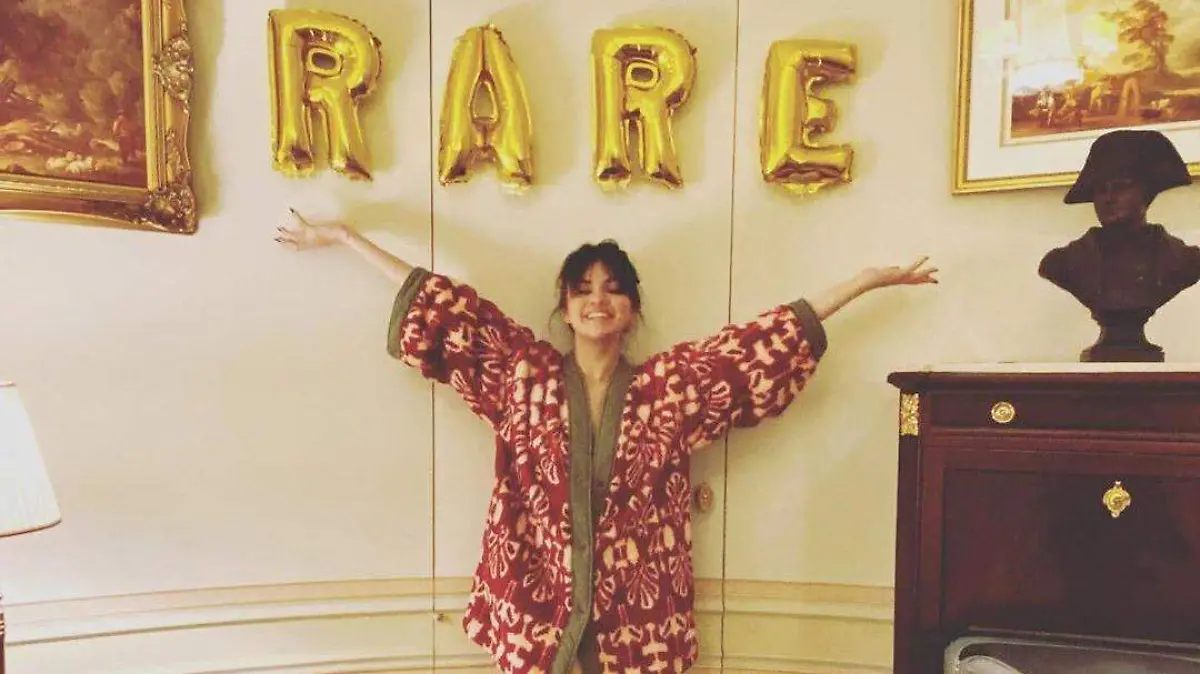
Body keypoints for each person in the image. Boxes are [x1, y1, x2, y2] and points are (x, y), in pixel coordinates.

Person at [276, 213, 938, 674]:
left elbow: (756, 345)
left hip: (635, 624)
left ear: (633, 309)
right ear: (564, 308)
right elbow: (442, 306)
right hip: (538, 613)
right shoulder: (522, 374)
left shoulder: (668, 389)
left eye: (614, 290)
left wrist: (863, 282)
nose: (598, 300)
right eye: (583, 289)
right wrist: (347, 238)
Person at [1039, 129, 1200, 361]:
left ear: (1146, 194)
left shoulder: (1184, 261)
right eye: (1100, 190)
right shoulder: (1063, 263)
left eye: (1121, 187)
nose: (1108, 198)